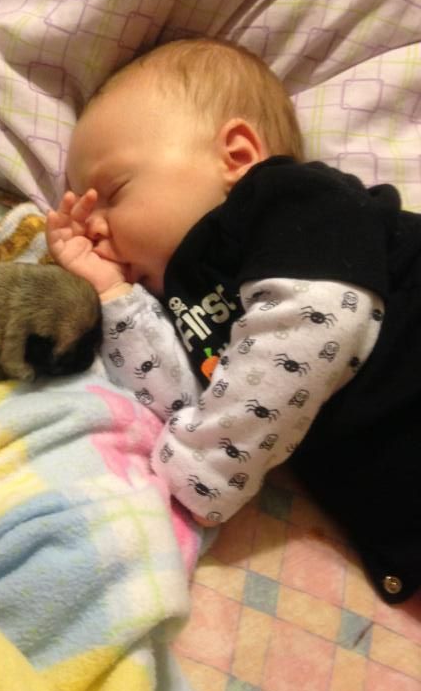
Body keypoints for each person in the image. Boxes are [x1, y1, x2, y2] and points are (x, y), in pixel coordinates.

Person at [46, 36, 421, 604]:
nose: (93, 225)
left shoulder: (290, 200)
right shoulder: (186, 297)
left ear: (237, 157)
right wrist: (114, 294)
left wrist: (206, 465)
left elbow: (320, 319)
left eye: (114, 191)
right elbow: (188, 406)